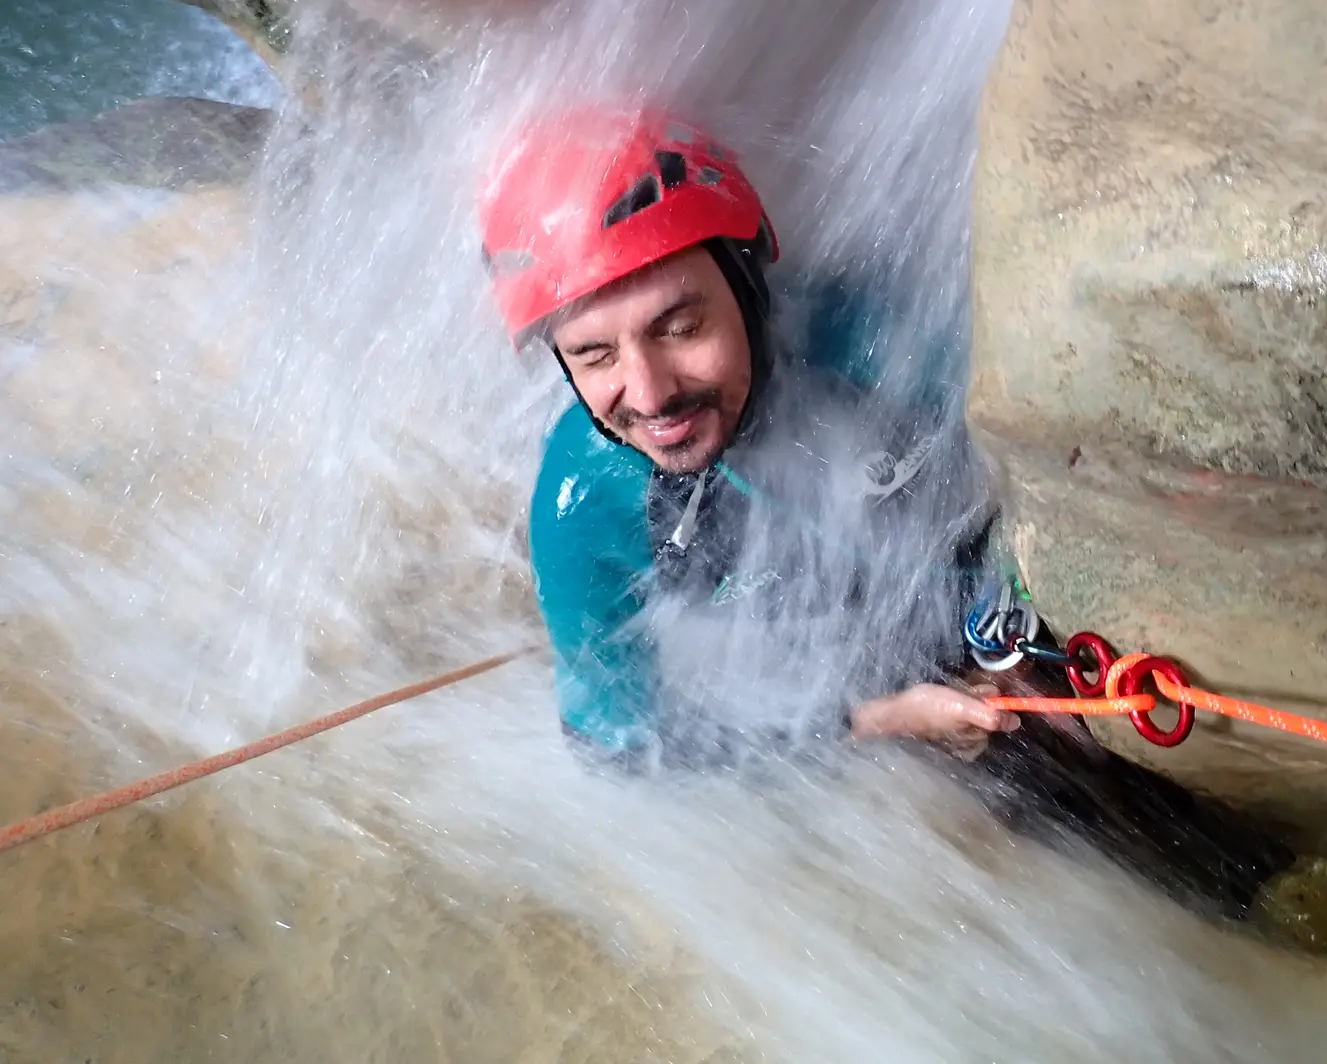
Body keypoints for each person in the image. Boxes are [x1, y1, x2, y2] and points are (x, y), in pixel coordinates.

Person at [477, 104, 1285, 912]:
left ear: (749, 280)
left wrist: (1027, 609)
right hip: (862, 673)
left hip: (997, 585)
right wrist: (871, 720)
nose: (651, 395)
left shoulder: (881, 345)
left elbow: (1074, 456)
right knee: (1110, 826)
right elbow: (616, 745)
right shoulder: (583, 509)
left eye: (682, 326)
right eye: (593, 354)